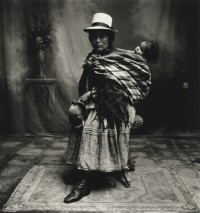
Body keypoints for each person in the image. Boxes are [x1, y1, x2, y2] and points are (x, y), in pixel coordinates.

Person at [63, 13, 159, 203]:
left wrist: (95, 96)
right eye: (94, 36)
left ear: (110, 37)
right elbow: (83, 85)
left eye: (102, 36)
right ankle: (89, 165)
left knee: (102, 121)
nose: (97, 40)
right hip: (97, 100)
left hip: (121, 104)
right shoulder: (92, 57)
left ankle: (85, 180)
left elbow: (134, 85)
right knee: (76, 112)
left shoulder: (122, 57)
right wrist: (87, 99)